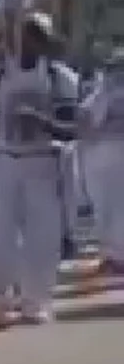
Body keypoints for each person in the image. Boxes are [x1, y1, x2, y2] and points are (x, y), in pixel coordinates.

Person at [0, 12, 79, 325]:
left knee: (43, 236)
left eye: (41, 36)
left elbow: (71, 128)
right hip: (6, 162)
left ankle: (36, 300)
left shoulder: (59, 77)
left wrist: (41, 122)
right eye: (29, 34)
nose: (34, 42)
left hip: (42, 162)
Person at [79, 47, 124, 273]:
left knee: (111, 205)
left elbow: (91, 119)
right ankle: (112, 254)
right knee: (109, 204)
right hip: (104, 150)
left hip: (110, 150)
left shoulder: (109, 91)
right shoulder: (105, 89)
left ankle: (116, 255)